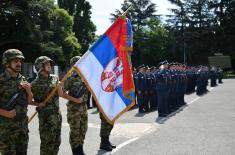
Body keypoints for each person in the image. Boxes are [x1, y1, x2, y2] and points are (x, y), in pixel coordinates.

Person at [0, 49, 33, 155]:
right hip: (7, 132)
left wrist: (29, 91)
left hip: (22, 129)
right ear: (7, 63)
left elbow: (28, 101)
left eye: (20, 61)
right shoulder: (1, 81)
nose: (19, 63)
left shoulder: (23, 79)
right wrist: (6, 113)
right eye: (15, 61)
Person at [31, 56, 62, 155]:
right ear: (40, 66)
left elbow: (60, 94)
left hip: (57, 115)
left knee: (57, 142)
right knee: (47, 144)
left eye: (50, 64)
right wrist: (38, 104)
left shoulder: (55, 78)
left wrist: (60, 86)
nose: (49, 66)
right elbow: (27, 100)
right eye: (46, 64)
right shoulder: (34, 84)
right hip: (46, 119)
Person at [58, 56, 88, 155]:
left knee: (83, 129)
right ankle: (76, 152)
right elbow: (62, 93)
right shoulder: (70, 78)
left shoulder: (86, 76)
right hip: (74, 108)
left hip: (84, 107)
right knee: (75, 131)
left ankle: (81, 149)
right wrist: (75, 99)